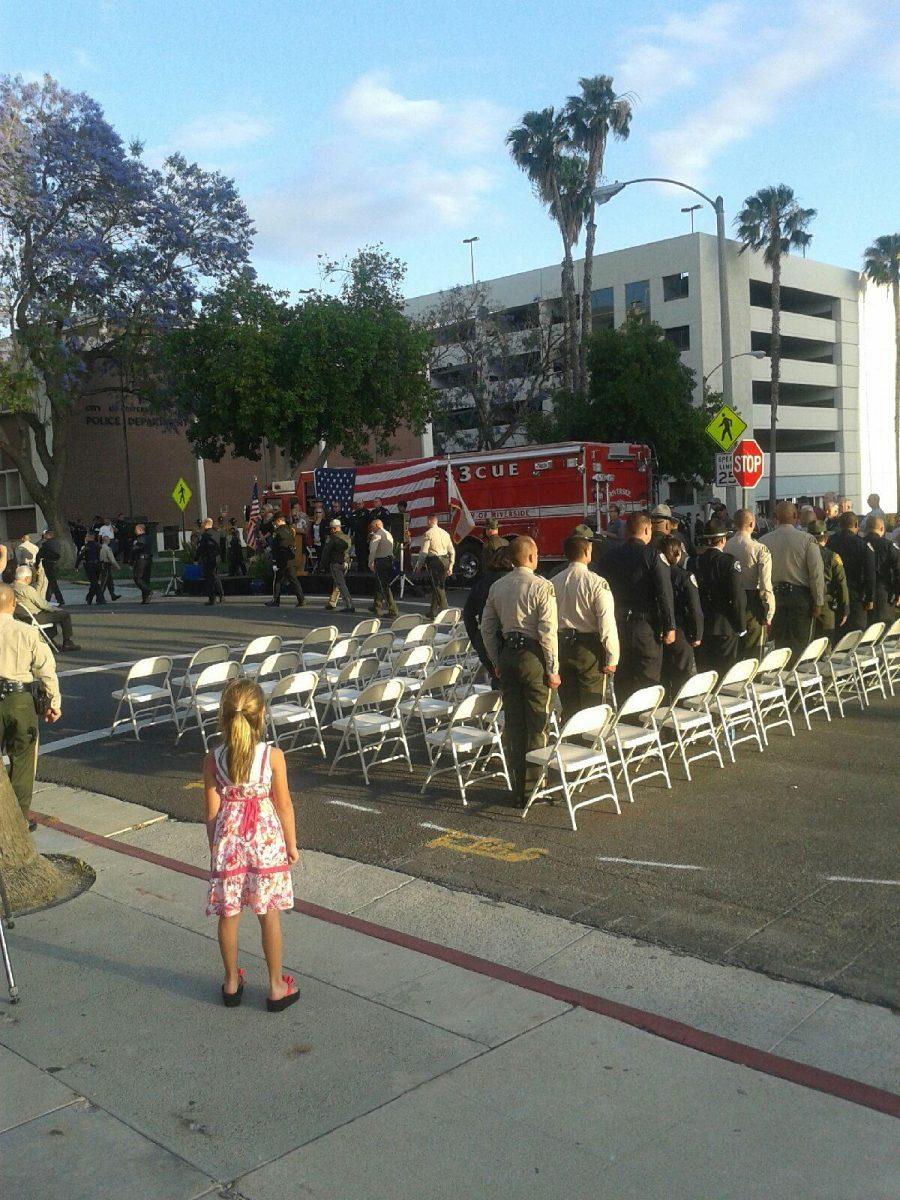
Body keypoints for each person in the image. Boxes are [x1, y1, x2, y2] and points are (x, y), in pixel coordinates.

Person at [203, 679, 300, 1011]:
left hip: (229, 843)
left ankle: (231, 982)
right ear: (261, 716)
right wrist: (291, 844)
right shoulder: (272, 757)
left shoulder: (213, 758)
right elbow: (284, 806)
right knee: (268, 912)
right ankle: (275, 986)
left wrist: (216, 849)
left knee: (229, 914)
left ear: (223, 716)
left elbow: (211, 813)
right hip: (266, 842)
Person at [481, 536, 559, 805]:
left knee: (514, 724)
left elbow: (487, 628)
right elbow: (548, 633)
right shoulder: (542, 586)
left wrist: (495, 661)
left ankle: (517, 788)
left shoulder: (497, 586)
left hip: (508, 655)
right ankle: (534, 787)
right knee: (537, 722)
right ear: (531, 557)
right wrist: (552, 668)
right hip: (533, 656)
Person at [0, 582, 61, 830]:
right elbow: (46, 670)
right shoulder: (26, 632)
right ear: (13, 605)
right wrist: (53, 702)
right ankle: (17, 820)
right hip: (19, 700)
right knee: (23, 760)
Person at [600, 512, 675, 700]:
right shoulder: (653, 555)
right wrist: (670, 626)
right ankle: (646, 725)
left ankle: (626, 723)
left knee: (624, 677)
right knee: (647, 680)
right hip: (645, 627)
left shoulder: (610, 557)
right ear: (648, 529)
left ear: (626, 532)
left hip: (618, 626)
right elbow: (664, 593)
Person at [552, 534, 618, 721]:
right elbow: (606, 623)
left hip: (562, 644)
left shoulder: (553, 582)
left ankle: (570, 743)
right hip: (588, 647)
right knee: (591, 704)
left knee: (569, 703)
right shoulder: (596, 583)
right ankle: (589, 746)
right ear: (587, 552)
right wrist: (612, 656)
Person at [760, 502, 825, 664]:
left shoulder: (764, 541)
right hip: (800, 598)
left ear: (775, 518)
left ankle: (782, 680)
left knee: (779, 645)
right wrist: (818, 601)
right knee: (801, 645)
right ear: (796, 517)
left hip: (775, 597)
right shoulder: (807, 540)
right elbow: (816, 573)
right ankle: (797, 679)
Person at [692, 520, 747, 674]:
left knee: (705, 673)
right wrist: (741, 626)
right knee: (725, 672)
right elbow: (737, 598)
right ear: (723, 540)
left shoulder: (694, 562)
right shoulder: (729, 562)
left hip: (702, 625)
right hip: (725, 625)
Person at [725, 509, 775, 660]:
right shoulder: (759, 549)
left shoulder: (726, 546)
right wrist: (769, 612)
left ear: (734, 523)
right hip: (752, 603)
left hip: (730, 601)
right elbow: (766, 585)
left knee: (735, 654)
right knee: (753, 653)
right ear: (752, 524)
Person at [660, 535, 703, 697]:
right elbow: (695, 608)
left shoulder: (654, 576)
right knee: (683, 675)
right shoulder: (684, 576)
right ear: (678, 554)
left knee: (663, 674)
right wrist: (697, 634)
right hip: (681, 630)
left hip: (660, 630)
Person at [463, 545, 513, 676]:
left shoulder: (482, 583)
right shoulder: (514, 582)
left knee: (497, 679)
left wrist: (475, 638)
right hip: (511, 641)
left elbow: (468, 614)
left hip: (486, 638)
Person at [827, 512, 876, 632]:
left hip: (834, 596)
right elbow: (870, 574)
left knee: (836, 637)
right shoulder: (863, 545)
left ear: (839, 524)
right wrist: (870, 598)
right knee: (855, 637)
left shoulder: (830, 542)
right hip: (856, 597)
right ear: (856, 524)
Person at [13, 566, 81, 651]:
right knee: (64, 614)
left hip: (21, 617)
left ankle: (49, 641)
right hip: (34, 617)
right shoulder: (27, 589)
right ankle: (67, 642)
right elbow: (42, 604)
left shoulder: (11, 587)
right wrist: (55, 609)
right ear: (26, 578)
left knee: (51, 615)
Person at [808, 521, 849, 643]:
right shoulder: (832, 556)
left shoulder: (801, 555)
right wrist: (845, 609)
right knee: (824, 646)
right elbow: (842, 584)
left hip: (805, 604)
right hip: (826, 606)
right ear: (826, 538)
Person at [415, 514, 455, 619]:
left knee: (438, 588)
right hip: (445, 561)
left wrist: (418, 566)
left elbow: (423, 553)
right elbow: (452, 551)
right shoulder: (445, 533)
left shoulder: (428, 534)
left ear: (429, 521)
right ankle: (432, 612)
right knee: (437, 586)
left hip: (434, 562)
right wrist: (451, 566)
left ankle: (446, 612)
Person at [863, 515, 900, 624]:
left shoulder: (859, 544)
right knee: (883, 631)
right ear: (882, 529)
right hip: (884, 594)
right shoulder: (889, 546)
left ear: (866, 529)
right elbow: (898, 571)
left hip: (862, 594)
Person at [266, 515, 304, 608]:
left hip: (281, 559)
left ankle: (276, 600)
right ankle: (301, 599)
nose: (274, 524)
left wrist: (274, 560)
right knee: (294, 580)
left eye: (274, 522)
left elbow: (275, 547)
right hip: (291, 558)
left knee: (277, 580)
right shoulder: (291, 529)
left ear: (278, 521)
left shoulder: (277, 532)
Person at [321, 518, 355, 612]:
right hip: (346, 562)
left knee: (340, 584)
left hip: (336, 563)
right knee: (337, 584)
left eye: (331, 528)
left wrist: (323, 564)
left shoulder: (333, 538)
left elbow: (326, 552)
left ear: (334, 529)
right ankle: (332, 602)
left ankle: (349, 605)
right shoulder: (347, 537)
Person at [368, 519, 398, 617]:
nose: (371, 529)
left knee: (384, 586)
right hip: (388, 560)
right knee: (379, 584)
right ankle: (377, 605)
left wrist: (370, 562)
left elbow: (373, 550)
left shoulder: (377, 535)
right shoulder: (388, 534)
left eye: (372, 526)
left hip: (381, 561)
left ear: (377, 525)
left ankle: (393, 610)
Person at [197, 517, 224, 606]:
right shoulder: (217, 533)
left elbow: (201, 548)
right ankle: (221, 595)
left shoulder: (205, 535)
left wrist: (196, 558)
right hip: (216, 558)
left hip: (208, 558)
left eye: (203, 523)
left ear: (205, 524)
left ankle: (212, 598)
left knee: (209, 578)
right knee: (215, 576)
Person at [35, 529, 65, 606]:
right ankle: (48, 598)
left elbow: (39, 555)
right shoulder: (57, 543)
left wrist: (37, 565)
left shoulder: (46, 544)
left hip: (48, 563)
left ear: (47, 535)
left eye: (45, 534)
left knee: (52, 582)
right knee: (51, 582)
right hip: (56, 563)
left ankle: (60, 599)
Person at [77, 533, 104, 605]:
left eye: (86, 536)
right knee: (94, 582)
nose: (85, 538)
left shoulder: (86, 546)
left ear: (89, 537)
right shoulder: (98, 545)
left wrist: (76, 566)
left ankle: (96, 598)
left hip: (90, 565)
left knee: (94, 582)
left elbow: (80, 556)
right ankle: (92, 598)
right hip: (98, 565)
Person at [130, 523, 153, 604]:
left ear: (140, 530)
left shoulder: (140, 538)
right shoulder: (149, 537)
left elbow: (137, 548)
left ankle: (148, 591)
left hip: (141, 560)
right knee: (145, 579)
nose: (135, 531)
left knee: (138, 578)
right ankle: (145, 599)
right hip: (148, 559)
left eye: (136, 530)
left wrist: (133, 546)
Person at [99, 535, 122, 601]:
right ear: (106, 540)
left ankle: (112, 594)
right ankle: (100, 597)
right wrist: (117, 566)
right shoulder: (107, 548)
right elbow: (112, 559)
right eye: (109, 539)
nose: (110, 541)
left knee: (109, 581)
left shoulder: (100, 547)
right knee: (104, 582)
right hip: (106, 565)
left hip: (102, 565)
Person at [351, 502, 371, 569]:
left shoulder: (367, 512)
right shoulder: (354, 513)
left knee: (364, 551)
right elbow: (352, 525)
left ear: (363, 504)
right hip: (357, 535)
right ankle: (359, 566)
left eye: (360, 504)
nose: (358, 505)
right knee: (358, 551)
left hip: (364, 535)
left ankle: (365, 566)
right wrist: (352, 534)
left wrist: (369, 535)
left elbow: (370, 524)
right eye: (357, 504)